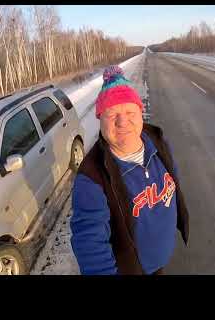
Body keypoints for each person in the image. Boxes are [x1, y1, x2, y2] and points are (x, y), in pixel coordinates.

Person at [70, 65, 189, 275]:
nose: (122, 121)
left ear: (140, 112)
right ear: (100, 120)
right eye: (112, 113)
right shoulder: (92, 177)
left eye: (129, 111)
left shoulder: (157, 142)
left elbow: (174, 179)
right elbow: (90, 243)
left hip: (160, 263)